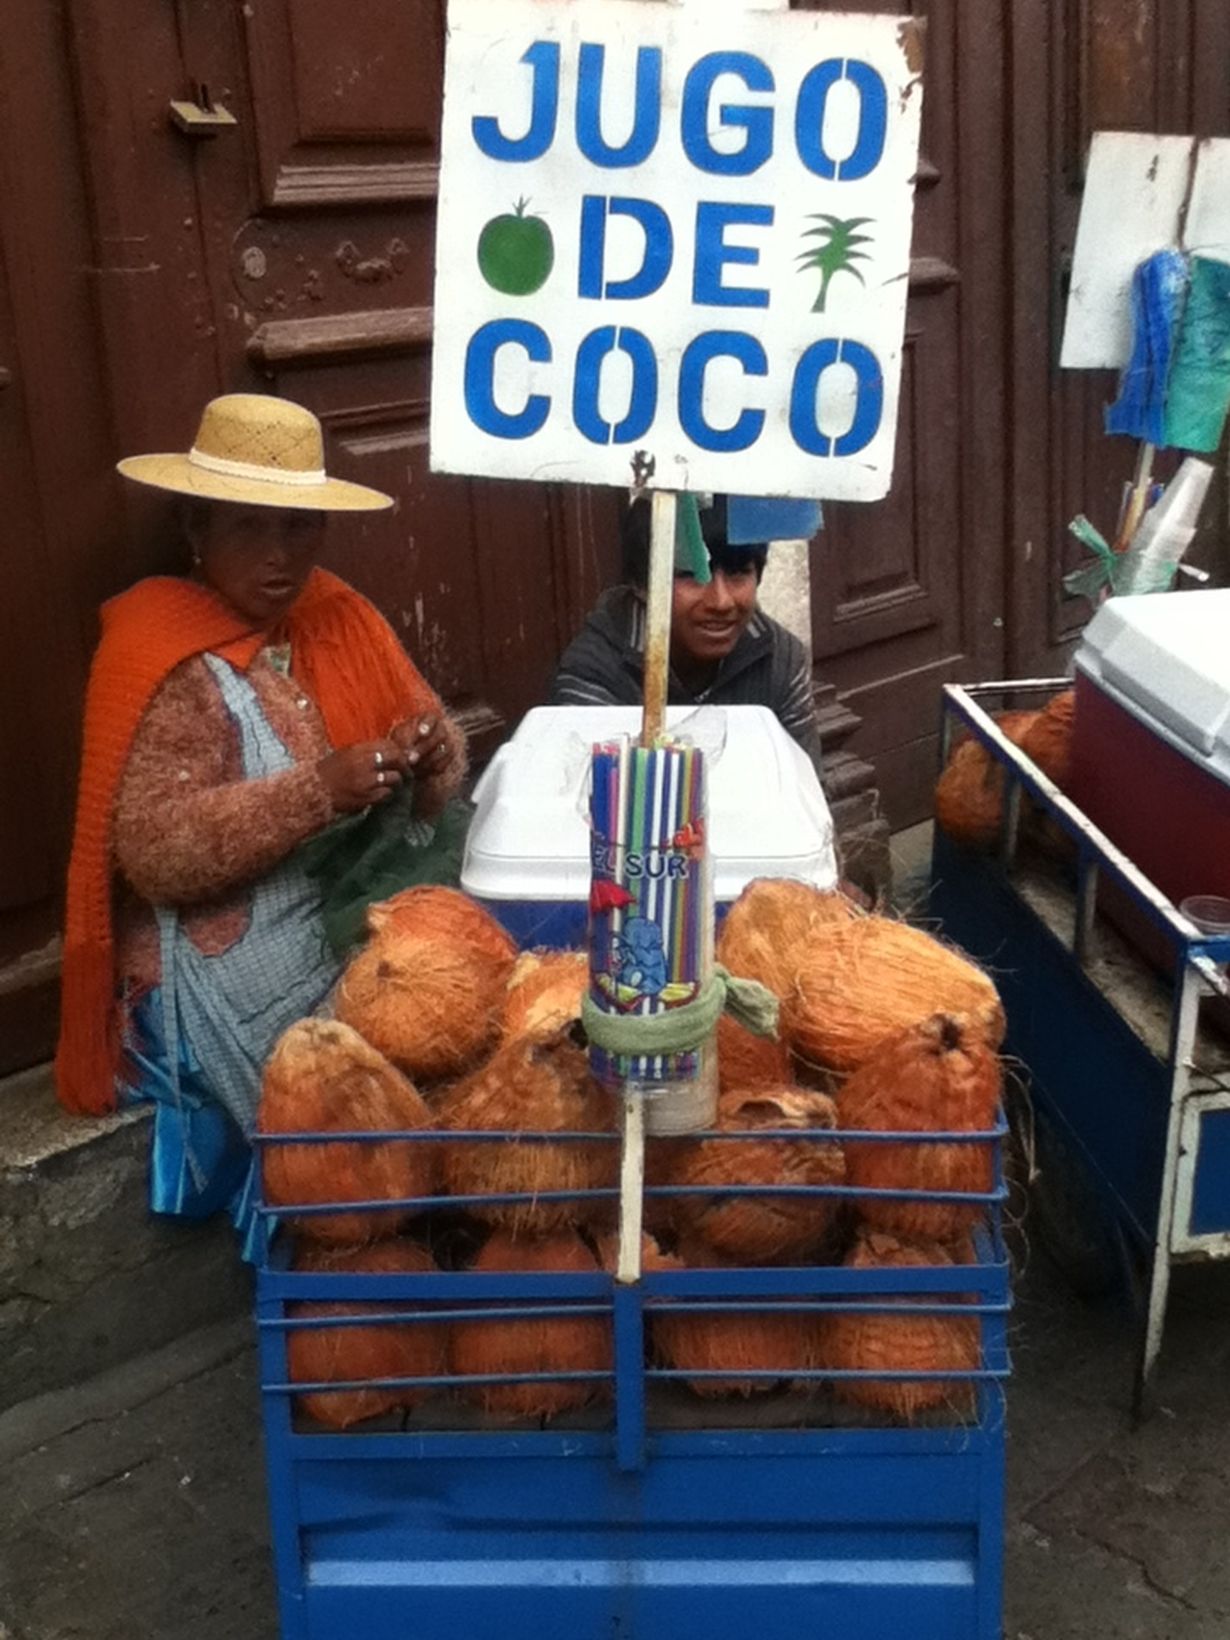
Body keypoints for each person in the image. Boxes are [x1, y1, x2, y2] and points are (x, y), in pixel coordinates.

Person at [55, 393, 467, 1249]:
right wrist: (317, 790)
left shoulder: (335, 615)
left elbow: (435, 762)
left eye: (298, 527)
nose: (279, 556)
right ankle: (369, 1231)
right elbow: (154, 849)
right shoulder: (164, 658)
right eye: (248, 527)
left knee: (448, 1011)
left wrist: (429, 753)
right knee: (353, 1105)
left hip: (337, 912)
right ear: (195, 528)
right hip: (219, 960)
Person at [548, 494, 821, 762]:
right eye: (691, 573)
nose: (721, 601)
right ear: (641, 584)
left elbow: (803, 785)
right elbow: (589, 787)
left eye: (738, 572)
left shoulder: (780, 660)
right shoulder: (595, 672)